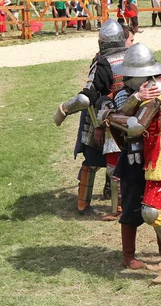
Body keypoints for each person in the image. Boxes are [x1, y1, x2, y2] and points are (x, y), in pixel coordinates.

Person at [100, 43, 161, 284]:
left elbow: (136, 125)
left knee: (151, 210)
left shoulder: (157, 88)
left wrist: (109, 117)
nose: (127, 77)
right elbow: (129, 111)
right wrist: (134, 99)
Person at [53, 20, 128, 217]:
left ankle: (95, 205)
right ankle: (116, 204)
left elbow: (85, 98)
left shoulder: (104, 62)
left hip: (105, 119)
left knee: (94, 161)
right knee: (120, 160)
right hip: (131, 118)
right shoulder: (132, 57)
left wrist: (64, 109)